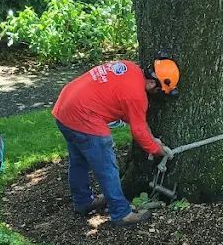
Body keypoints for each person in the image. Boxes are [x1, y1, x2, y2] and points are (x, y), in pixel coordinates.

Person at [52, 55, 179, 226]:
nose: (157, 95)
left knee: (79, 161)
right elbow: (139, 131)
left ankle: (82, 201)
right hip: (84, 116)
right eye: (159, 91)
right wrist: (157, 150)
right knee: (107, 167)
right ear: (152, 82)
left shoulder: (130, 68)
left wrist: (153, 139)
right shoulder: (136, 96)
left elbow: (135, 119)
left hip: (65, 108)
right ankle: (121, 213)